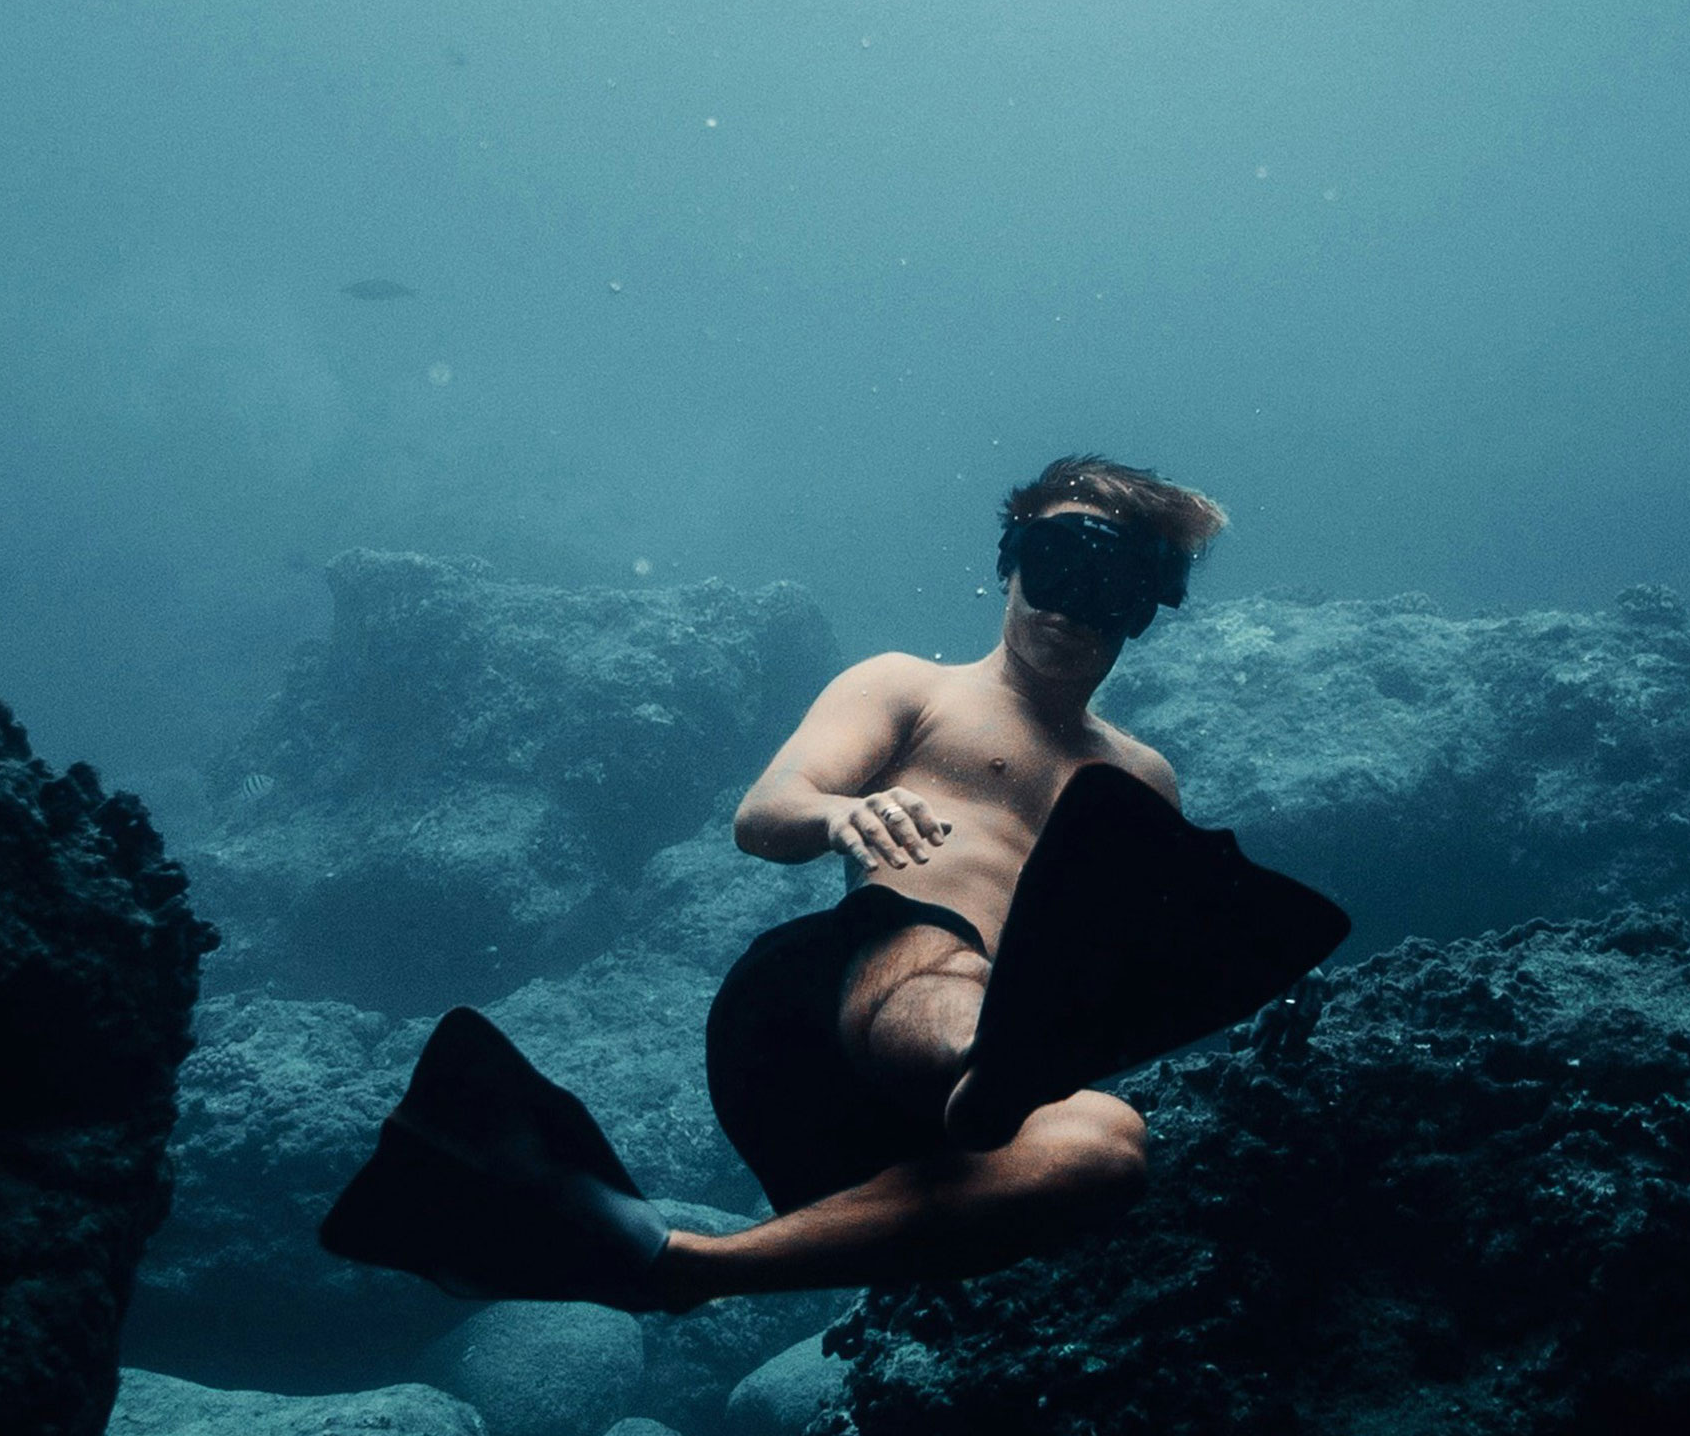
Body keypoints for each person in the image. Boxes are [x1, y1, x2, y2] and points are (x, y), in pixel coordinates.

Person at [314, 456, 1346, 1314]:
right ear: (1009, 567)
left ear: (1145, 610)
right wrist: (842, 814)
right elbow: (764, 814)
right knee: (943, 951)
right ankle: (977, 1065)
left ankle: (692, 1263)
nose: (1071, 607)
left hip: (933, 1127)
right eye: (1053, 564)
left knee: (1114, 1145)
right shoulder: (911, 687)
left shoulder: (1142, 777)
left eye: (1108, 585)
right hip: (830, 1012)